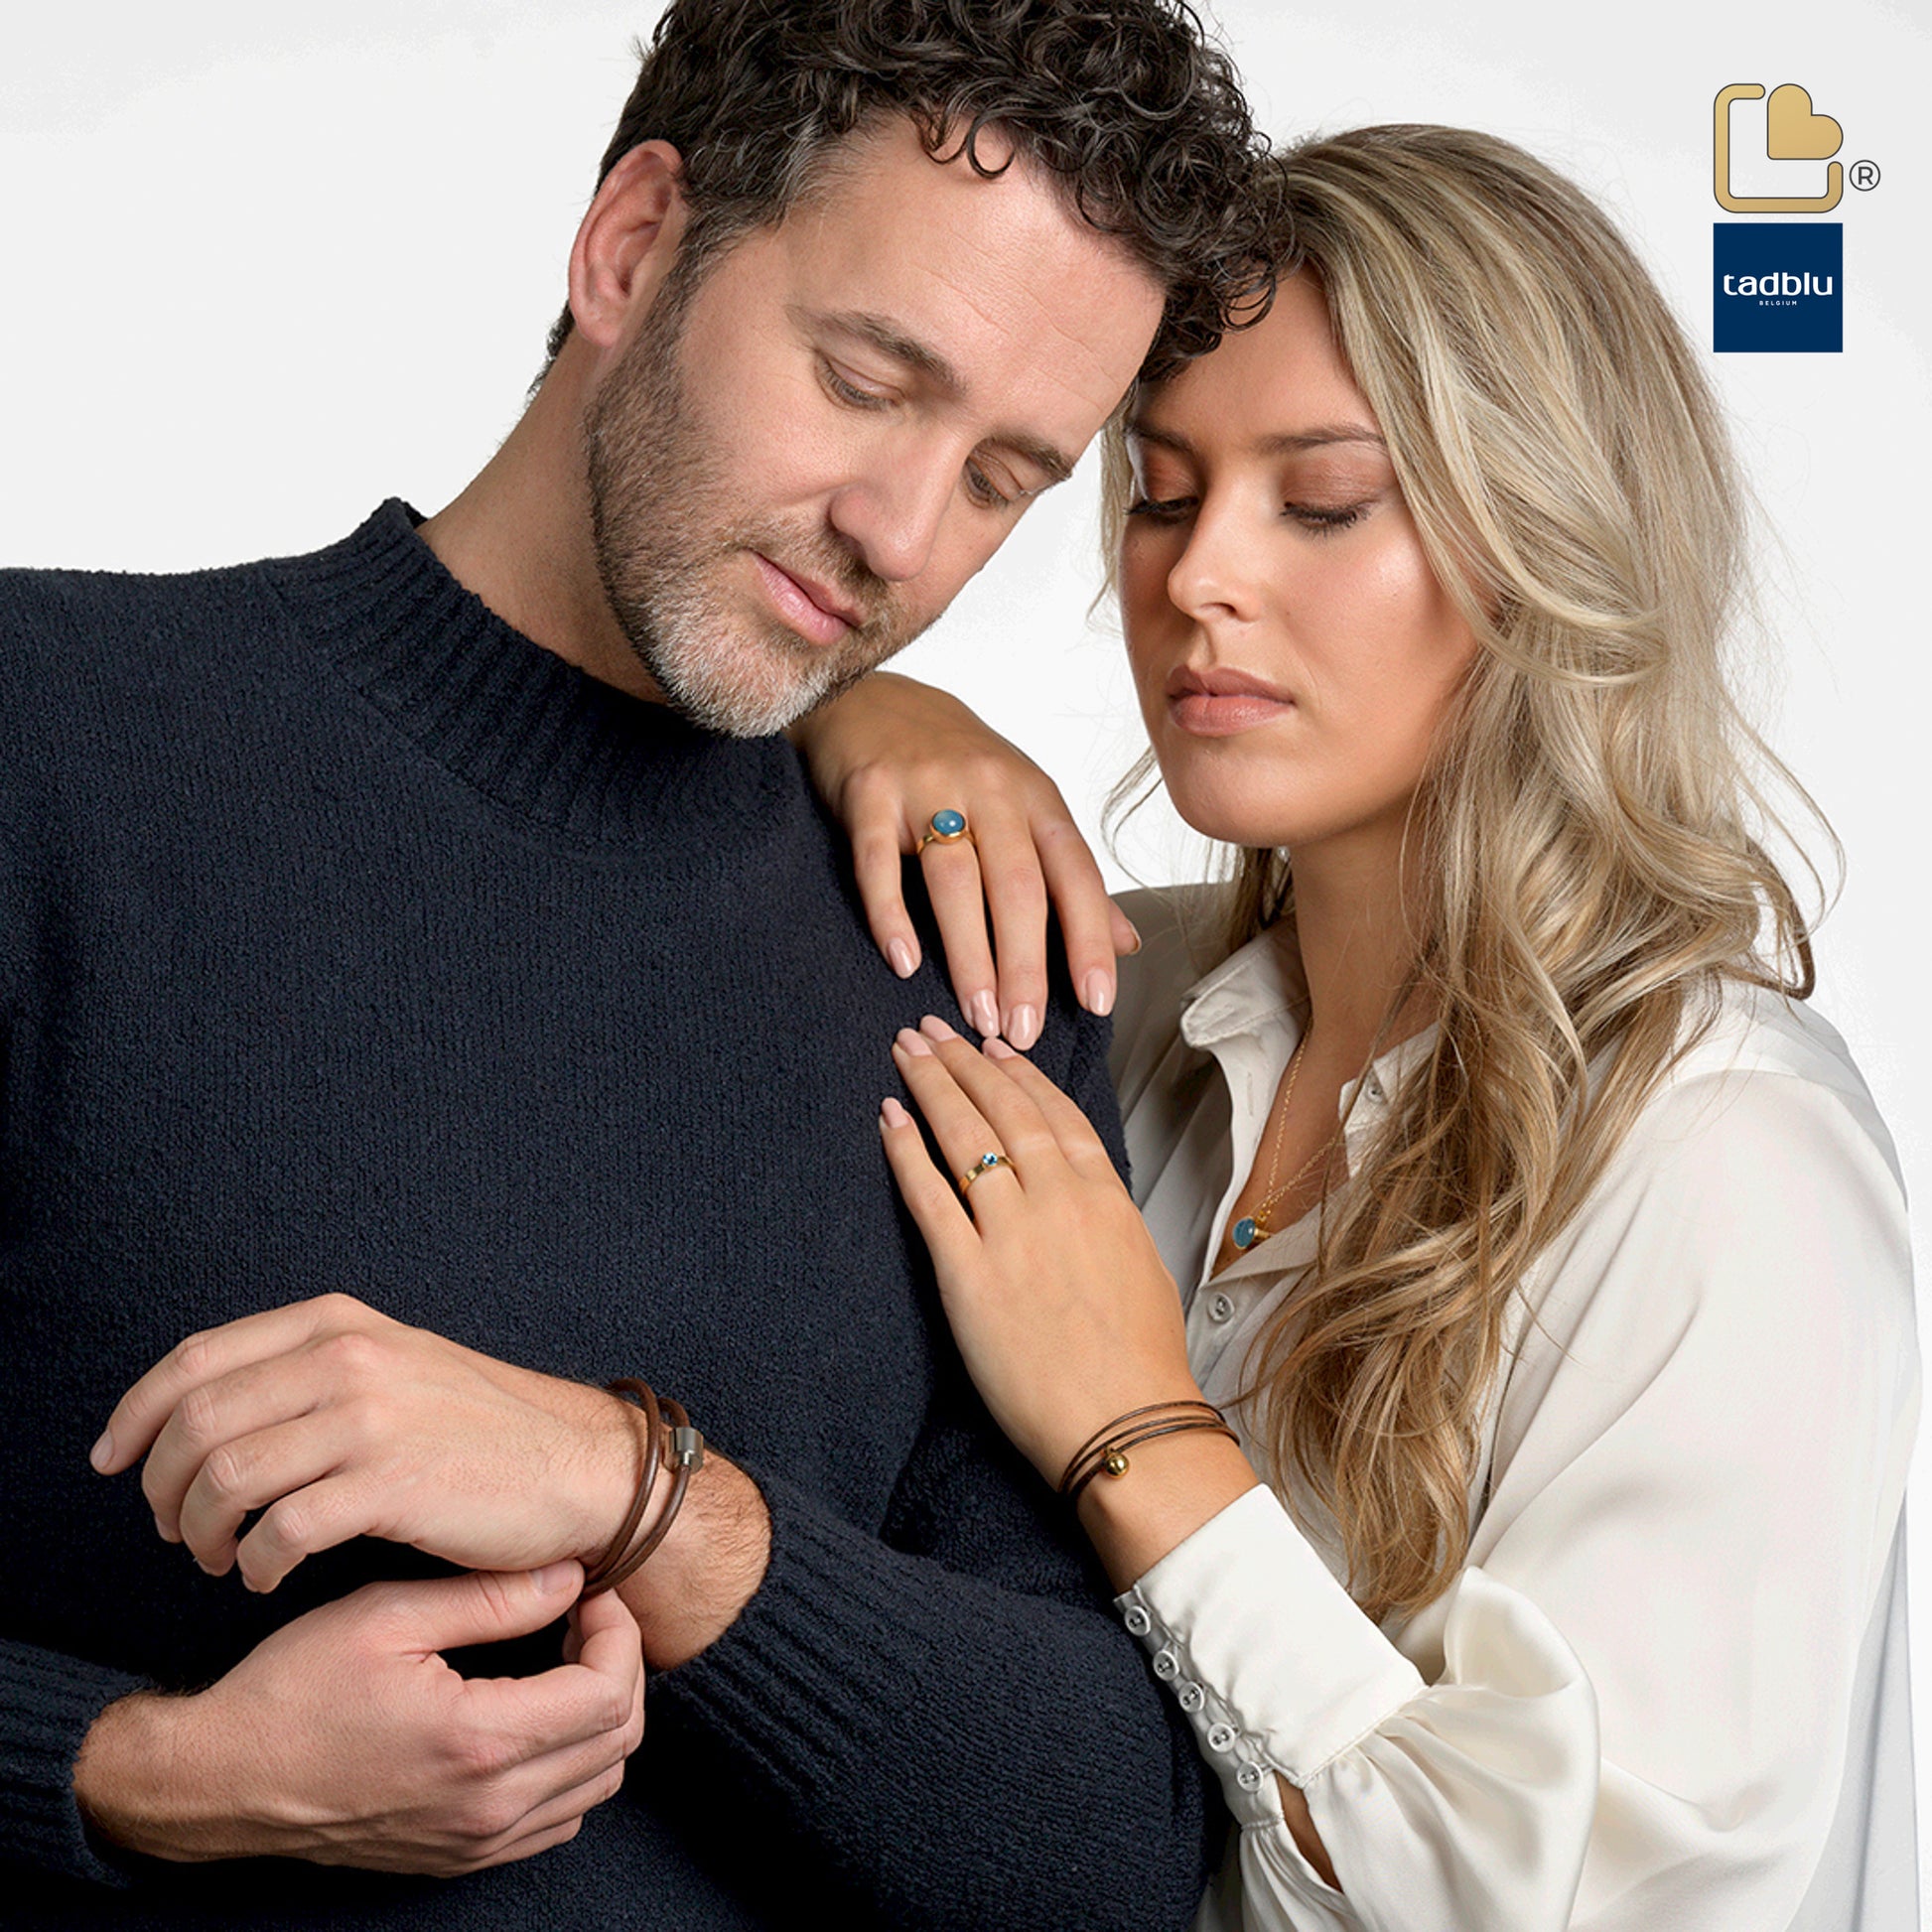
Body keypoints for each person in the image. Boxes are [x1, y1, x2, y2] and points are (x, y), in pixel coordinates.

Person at [0, 3, 1280, 1926]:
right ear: (630, 246)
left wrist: (644, 1499)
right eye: (864, 378)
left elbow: (1101, 1853)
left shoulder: (967, 958)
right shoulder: (51, 748)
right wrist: (145, 1775)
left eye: (1003, 477)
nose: (899, 536)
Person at [795, 126, 1919, 1928]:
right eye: (1162, 491)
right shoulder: (1110, 998)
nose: (1196, 577)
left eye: (1320, 500)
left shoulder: (1725, 1156)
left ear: (1545, 541)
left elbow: (1545, 1905)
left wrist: (1127, 1420)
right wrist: (868, 717)